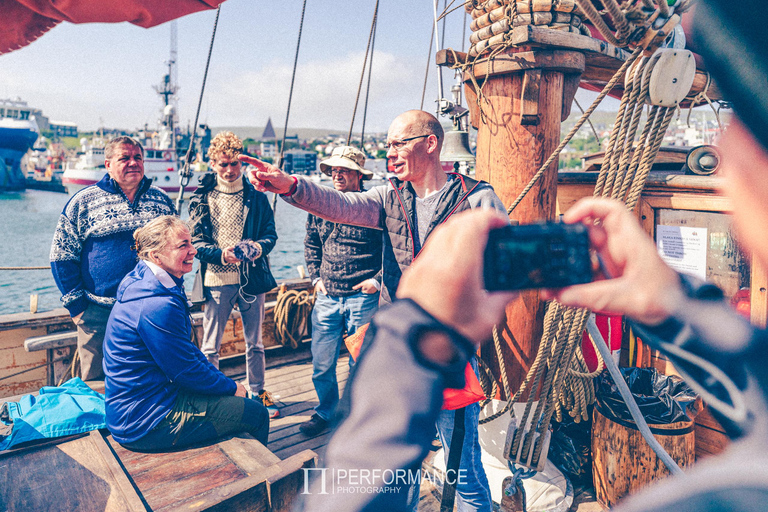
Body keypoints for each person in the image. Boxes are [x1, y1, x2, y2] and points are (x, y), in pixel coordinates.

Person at [310, 1, 768, 510]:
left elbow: (342, 500)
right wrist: (677, 307)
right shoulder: (388, 197)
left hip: (446, 358)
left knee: (464, 468)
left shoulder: (717, 499)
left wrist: (406, 345)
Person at [242, 110, 507, 511]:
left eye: (399, 142)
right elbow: (338, 204)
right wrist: (290, 186)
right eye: (388, 145)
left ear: (430, 143)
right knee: (391, 472)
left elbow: (502, 268)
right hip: (398, 350)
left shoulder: (477, 198)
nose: (391, 152)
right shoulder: (389, 197)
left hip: (449, 349)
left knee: (462, 466)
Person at [103, 216, 269, 450]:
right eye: (183, 246)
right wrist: (233, 388)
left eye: (191, 243)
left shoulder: (147, 280)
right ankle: (259, 480)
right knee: (256, 413)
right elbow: (185, 370)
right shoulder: (156, 304)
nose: (193, 251)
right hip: (146, 421)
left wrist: (222, 384)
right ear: (155, 255)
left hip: (139, 405)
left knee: (229, 397)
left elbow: (185, 354)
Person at [50, 136, 175, 380]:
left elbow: (176, 250)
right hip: (97, 313)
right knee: (94, 381)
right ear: (108, 164)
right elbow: (61, 255)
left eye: (137, 157)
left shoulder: (161, 200)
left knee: (149, 377)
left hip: (150, 309)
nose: (133, 163)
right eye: (124, 158)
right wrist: (77, 308)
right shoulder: (83, 201)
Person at [188, 132, 279, 418]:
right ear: (212, 163)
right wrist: (220, 254)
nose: (229, 170)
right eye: (223, 164)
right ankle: (213, 398)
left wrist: (257, 247)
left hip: (251, 280)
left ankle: (257, 391)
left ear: (242, 164)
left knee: (256, 343)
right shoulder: (202, 197)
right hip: (216, 281)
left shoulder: (256, 195)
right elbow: (196, 242)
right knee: (210, 347)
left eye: (234, 164)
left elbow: (270, 235)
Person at [300, 146, 383, 437]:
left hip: (364, 296)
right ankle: (326, 411)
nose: (336, 173)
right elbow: (311, 244)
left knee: (361, 362)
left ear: (359, 175)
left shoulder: (375, 205)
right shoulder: (320, 206)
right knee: (322, 363)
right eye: (334, 169)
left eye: (344, 169)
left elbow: (394, 249)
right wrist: (314, 278)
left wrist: (378, 280)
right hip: (327, 295)